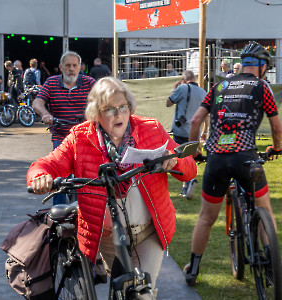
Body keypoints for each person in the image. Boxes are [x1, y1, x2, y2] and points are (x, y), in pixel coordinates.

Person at [27, 77, 197, 297]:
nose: (118, 114)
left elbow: (189, 168)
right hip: (108, 237)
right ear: (96, 112)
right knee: (120, 287)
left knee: (142, 292)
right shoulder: (80, 138)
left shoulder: (151, 129)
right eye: (109, 109)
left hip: (148, 232)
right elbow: (47, 163)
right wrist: (40, 176)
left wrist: (174, 161)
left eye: (122, 107)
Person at [184, 41, 282, 286]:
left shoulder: (219, 86)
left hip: (216, 158)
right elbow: (277, 126)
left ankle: (193, 268)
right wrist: (277, 147)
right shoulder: (262, 87)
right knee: (265, 209)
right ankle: (271, 266)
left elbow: (196, 121)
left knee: (206, 217)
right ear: (262, 67)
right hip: (246, 158)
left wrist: (196, 151)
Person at [32, 51, 95, 204]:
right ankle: (57, 215)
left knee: (90, 176)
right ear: (61, 67)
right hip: (61, 136)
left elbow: (104, 99)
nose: (71, 69)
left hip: (86, 135)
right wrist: (46, 115)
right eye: (67, 65)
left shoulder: (90, 83)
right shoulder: (51, 82)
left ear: (80, 67)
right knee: (59, 177)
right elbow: (37, 103)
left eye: (75, 65)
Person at [167, 70, 208, 200]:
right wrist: (205, 131)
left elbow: (168, 103)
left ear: (183, 80)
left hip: (181, 130)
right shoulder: (203, 92)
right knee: (191, 156)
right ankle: (186, 186)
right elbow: (207, 115)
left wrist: (175, 89)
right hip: (195, 130)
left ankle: (188, 182)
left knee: (182, 158)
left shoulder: (182, 88)